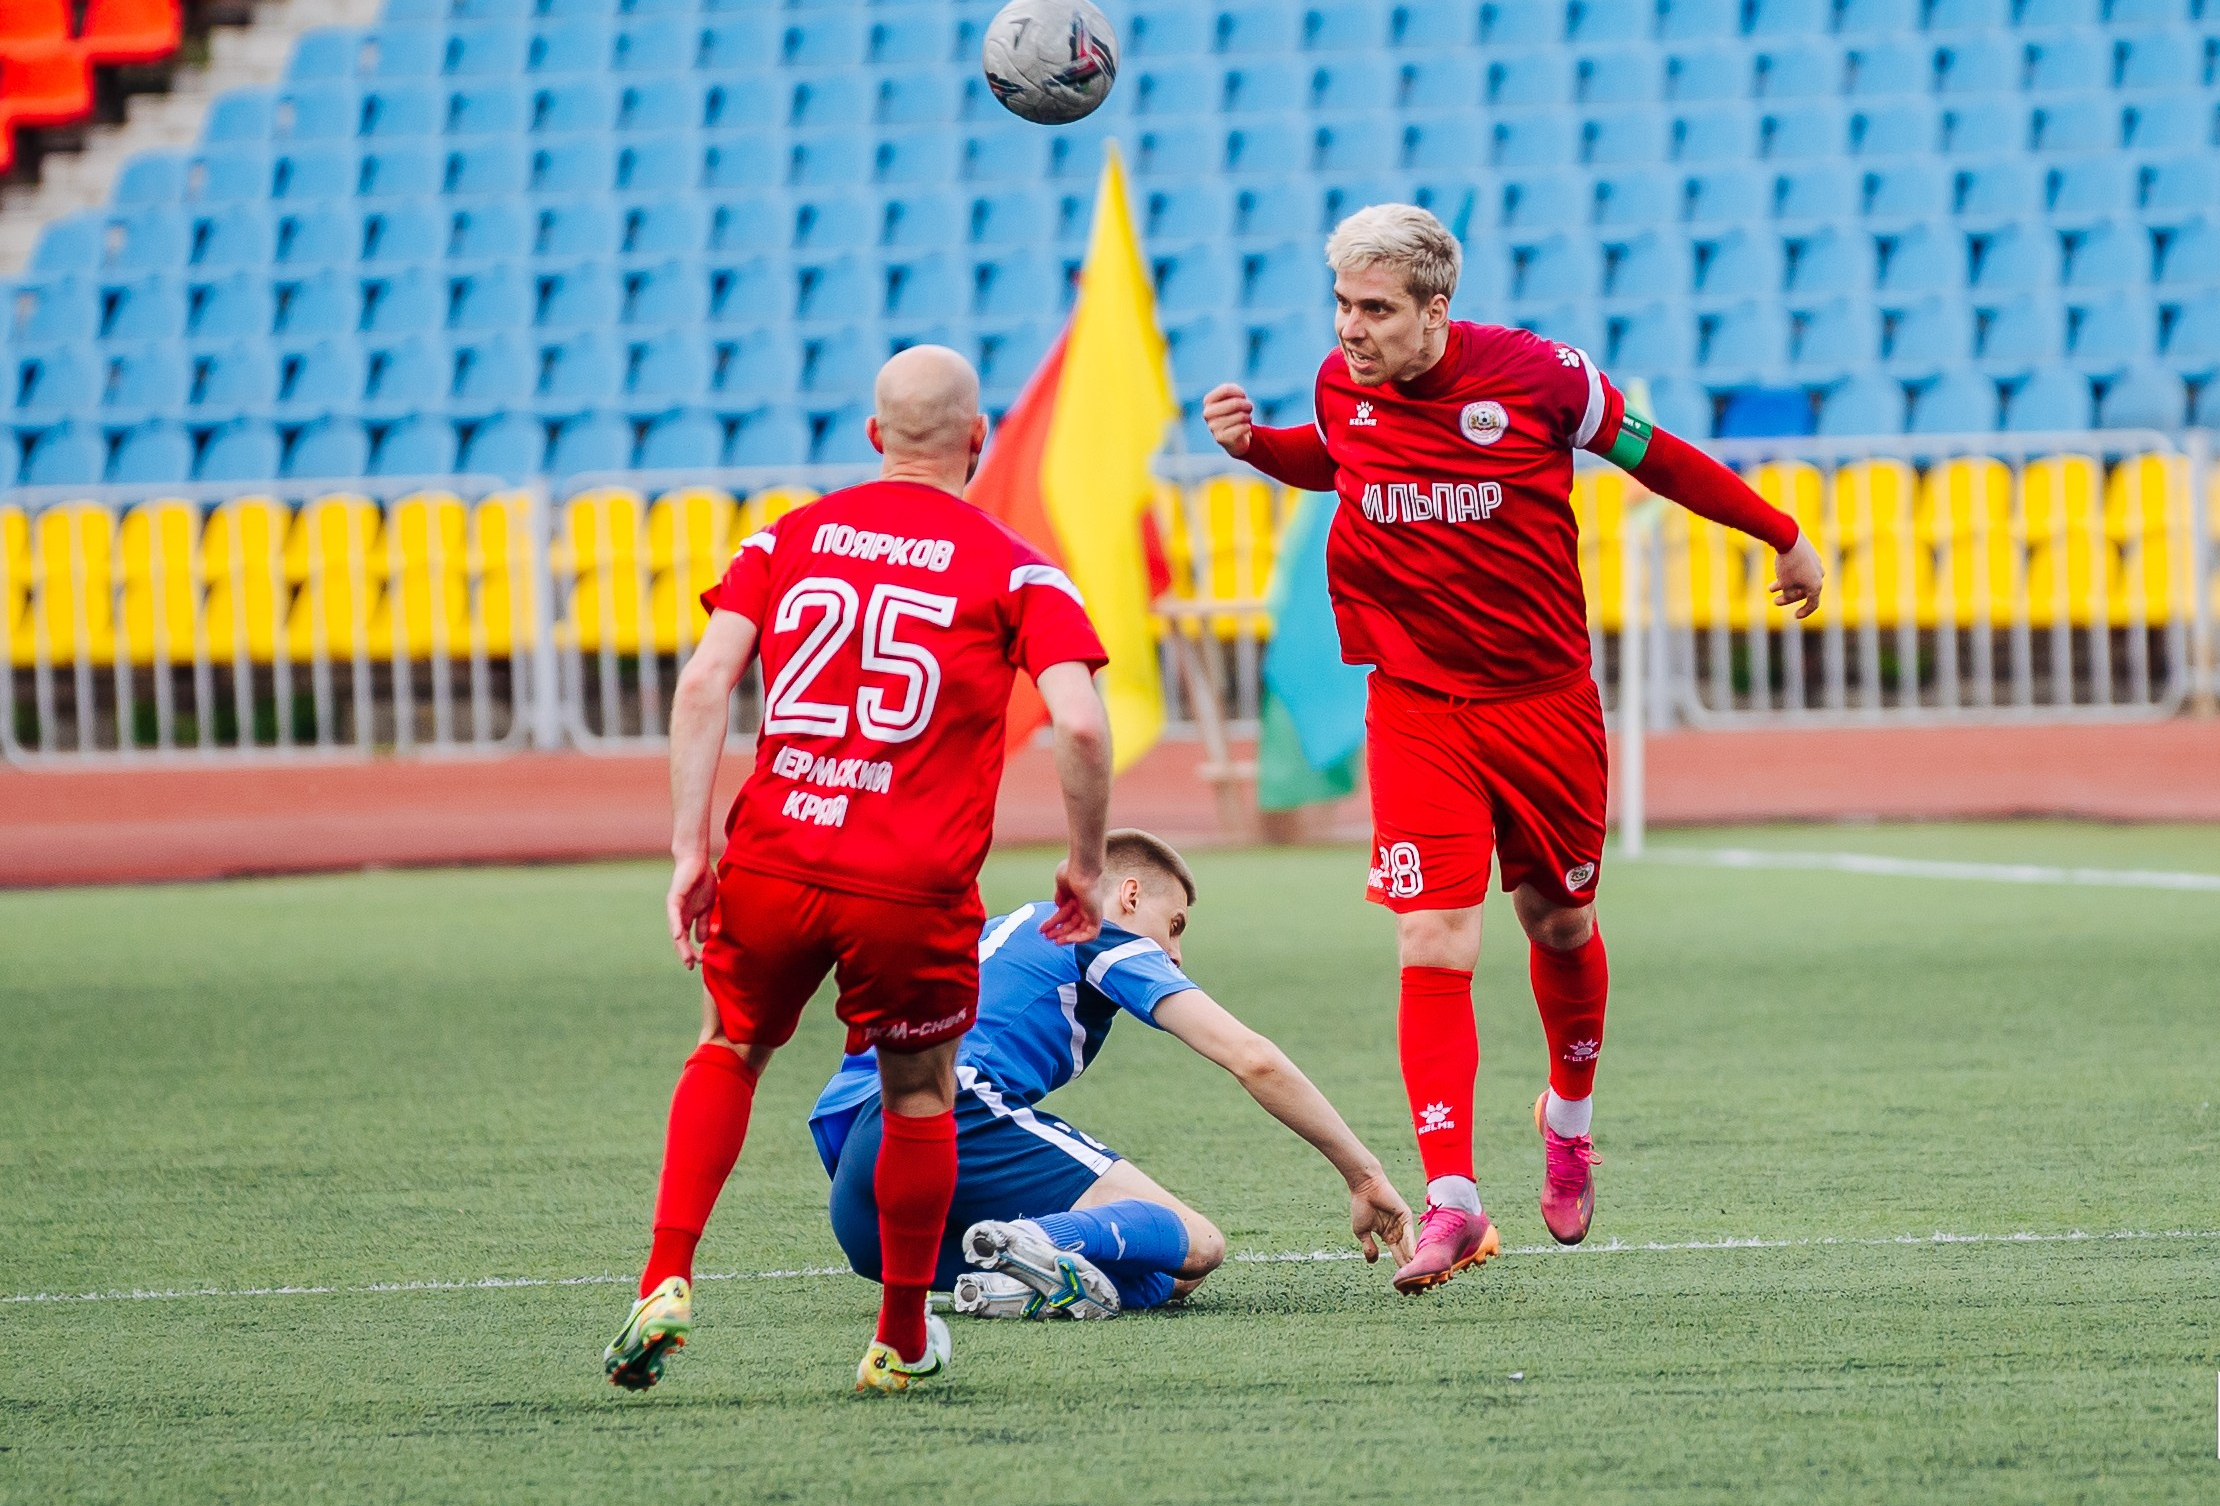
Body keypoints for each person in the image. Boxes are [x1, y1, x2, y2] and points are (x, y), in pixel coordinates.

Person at [1201, 204, 1824, 1294]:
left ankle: (1567, 1116)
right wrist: (1259, 448)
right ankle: (1450, 1198)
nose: (1352, 328)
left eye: (1376, 309)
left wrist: (1779, 530)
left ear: (1436, 309)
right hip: (1415, 705)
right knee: (1432, 938)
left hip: (1542, 703)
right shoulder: (1339, 381)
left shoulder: (1541, 379)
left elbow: (1658, 455)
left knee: (1560, 919)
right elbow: (1337, 459)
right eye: (1342, 305)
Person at [605, 345, 1114, 1396]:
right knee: (919, 1092)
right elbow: (1078, 724)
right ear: (979, 439)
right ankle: (899, 1336)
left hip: (776, 853)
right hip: (910, 880)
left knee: (731, 1043)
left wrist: (691, 845)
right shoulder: (1021, 567)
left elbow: (706, 681)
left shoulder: (784, 537)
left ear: (873, 437)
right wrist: (1085, 861)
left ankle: (667, 1272)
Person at [811, 830, 1416, 1318]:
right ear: (1128, 895)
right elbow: (1251, 1057)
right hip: (955, 1112)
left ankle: (1022, 1282)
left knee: (1159, 1273)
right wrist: (1364, 1176)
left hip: (865, 1207)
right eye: (1173, 925)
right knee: (1200, 1244)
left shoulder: (1001, 928)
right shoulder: (1097, 933)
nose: (1174, 953)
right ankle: (1037, 1240)